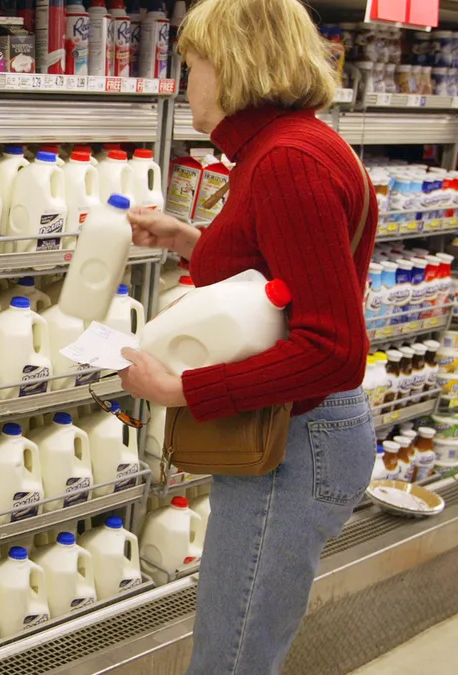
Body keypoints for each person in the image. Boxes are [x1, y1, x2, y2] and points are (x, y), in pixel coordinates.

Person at [119, 0, 377, 673]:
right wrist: (191, 241)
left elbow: (333, 348)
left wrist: (183, 388)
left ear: (232, 66)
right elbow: (283, 280)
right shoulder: (289, 147)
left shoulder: (289, 160)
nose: (186, 84)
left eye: (192, 66)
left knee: (231, 658)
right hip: (295, 435)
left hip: (297, 444)